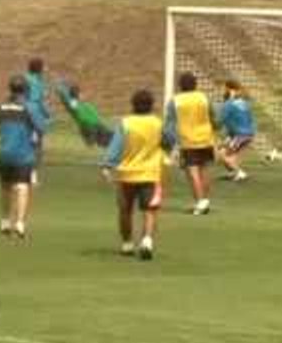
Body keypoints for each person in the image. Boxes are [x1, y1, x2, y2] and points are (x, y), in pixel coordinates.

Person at [102, 89, 173, 260]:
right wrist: (166, 150)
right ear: (151, 105)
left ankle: (127, 243)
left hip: (127, 174)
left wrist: (107, 165)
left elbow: (116, 146)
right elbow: (169, 140)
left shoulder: (126, 123)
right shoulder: (157, 123)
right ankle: (147, 240)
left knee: (125, 210)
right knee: (150, 210)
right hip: (150, 173)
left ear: (133, 105)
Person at [0, 76, 48, 239]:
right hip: (23, 154)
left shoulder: (0, 107)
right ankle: (20, 224)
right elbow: (41, 128)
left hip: (3, 154)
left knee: (6, 187)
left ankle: (4, 222)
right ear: (25, 90)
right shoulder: (29, 108)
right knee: (22, 187)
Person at [165, 72, 218, 215]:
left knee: (192, 171)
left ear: (180, 85)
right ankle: (205, 201)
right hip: (206, 138)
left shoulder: (175, 101)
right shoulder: (204, 97)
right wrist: (214, 129)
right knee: (205, 169)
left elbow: (169, 125)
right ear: (196, 84)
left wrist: (172, 143)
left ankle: (200, 202)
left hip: (188, 140)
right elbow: (213, 116)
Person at [55, 79, 115, 147]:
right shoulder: (74, 104)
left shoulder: (82, 103)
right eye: (80, 93)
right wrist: (61, 89)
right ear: (77, 95)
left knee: (112, 137)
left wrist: (64, 85)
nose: (82, 95)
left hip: (97, 125)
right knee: (107, 140)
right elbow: (67, 100)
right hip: (90, 128)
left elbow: (68, 96)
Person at [217, 80, 255, 182]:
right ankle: (233, 173)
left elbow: (220, 121)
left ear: (229, 90)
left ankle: (240, 173)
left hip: (240, 135)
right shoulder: (244, 103)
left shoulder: (228, 104)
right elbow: (249, 119)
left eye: (224, 88)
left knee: (223, 155)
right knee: (224, 152)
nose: (223, 90)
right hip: (247, 134)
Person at [24, 57, 52, 186]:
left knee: (26, 144)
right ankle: (32, 175)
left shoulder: (24, 77)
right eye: (43, 67)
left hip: (21, 114)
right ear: (39, 68)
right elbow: (38, 101)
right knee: (36, 146)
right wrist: (48, 114)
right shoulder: (37, 82)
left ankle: (24, 173)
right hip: (33, 115)